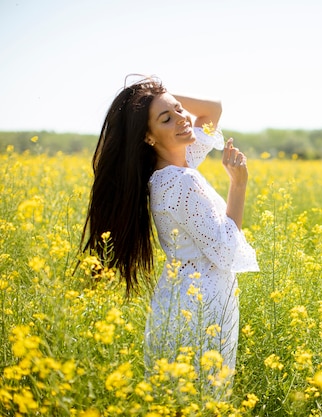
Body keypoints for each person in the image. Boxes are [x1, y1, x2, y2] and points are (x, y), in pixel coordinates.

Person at [81, 76, 259, 395]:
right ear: (148, 137)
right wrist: (239, 185)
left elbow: (211, 110)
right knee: (201, 402)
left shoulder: (172, 168)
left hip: (179, 302)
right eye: (167, 119)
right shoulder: (182, 182)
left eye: (179, 110)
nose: (182, 119)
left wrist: (154, 97)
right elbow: (226, 251)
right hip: (202, 309)